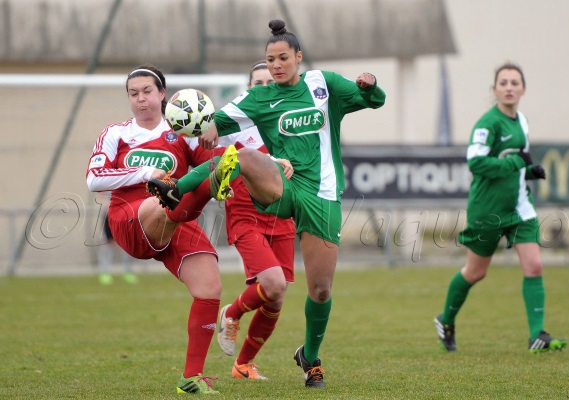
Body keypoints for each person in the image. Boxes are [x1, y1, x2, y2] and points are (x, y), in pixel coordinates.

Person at [147, 20, 386, 388]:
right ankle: (179, 188)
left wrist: (370, 85)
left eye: (282, 58)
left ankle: (310, 356)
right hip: (282, 189)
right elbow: (217, 123)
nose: (276, 65)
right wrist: (206, 128)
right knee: (242, 156)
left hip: (321, 195)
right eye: (270, 59)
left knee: (320, 290)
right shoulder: (259, 98)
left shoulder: (323, 85)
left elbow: (375, 101)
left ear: (298, 57)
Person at [86, 65, 238, 395]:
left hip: (177, 215)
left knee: (210, 288)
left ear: (162, 94)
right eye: (133, 93)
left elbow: (210, 158)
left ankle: (191, 378)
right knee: (169, 197)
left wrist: (231, 150)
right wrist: (144, 172)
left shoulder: (180, 131)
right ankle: (198, 192)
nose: (140, 99)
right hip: (131, 216)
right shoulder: (116, 133)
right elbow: (94, 178)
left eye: (147, 92)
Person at [433, 62, 567, 354]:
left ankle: (537, 336)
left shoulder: (523, 121)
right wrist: (518, 163)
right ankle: (446, 319)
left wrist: (530, 172)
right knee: (475, 272)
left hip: (520, 207)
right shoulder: (487, 124)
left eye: (514, 83)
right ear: (494, 90)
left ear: (523, 89)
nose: (509, 87)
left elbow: (514, 164)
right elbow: (476, 163)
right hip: (488, 209)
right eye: (503, 83)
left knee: (534, 265)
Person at [213, 60, 297, 381]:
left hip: (280, 216)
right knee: (272, 284)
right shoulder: (232, 122)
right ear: (248, 90)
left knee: (276, 298)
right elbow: (213, 155)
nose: (263, 88)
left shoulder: (286, 123)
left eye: (269, 84)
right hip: (246, 214)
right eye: (257, 84)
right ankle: (231, 313)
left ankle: (243, 365)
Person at [97, 212, 138, 285]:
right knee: (107, 251)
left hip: (123, 229)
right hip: (110, 226)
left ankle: (128, 273)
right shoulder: (110, 209)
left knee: (128, 251)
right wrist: (109, 236)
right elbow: (107, 217)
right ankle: (105, 273)